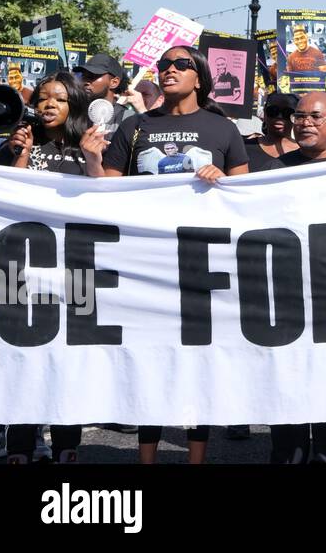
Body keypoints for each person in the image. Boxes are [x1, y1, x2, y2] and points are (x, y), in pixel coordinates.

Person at [99, 46, 248, 463]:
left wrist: (222, 181)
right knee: (150, 362)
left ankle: (195, 458)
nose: (169, 70)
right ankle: (146, 458)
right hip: (146, 261)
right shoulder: (137, 126)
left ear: (199, 77)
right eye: (164, 65)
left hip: (202, 262)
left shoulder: (224, 130)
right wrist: (95, 156)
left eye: (181, 64)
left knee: (197, 362)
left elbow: (246, 196)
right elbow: (108, 190)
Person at [0, 71, 106, 464]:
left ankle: (66, 446)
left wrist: (94, 159)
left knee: (67, 358)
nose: (48, 105)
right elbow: (7, 204)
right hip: (22, 269)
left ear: (74, 103)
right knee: (23, 356)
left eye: (58, 98)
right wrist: (18, 155)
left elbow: (106, 201)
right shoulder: (15, 144)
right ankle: (21, 446)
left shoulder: (89, 144)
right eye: (42, 98)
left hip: (75, 267)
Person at [254, 92, 326, 462]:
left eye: (315, 117)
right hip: (287, 301)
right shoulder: (273, 171)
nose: (305, 123)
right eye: (299, 116)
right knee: (288, 396)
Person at [72, 52, 142, 124]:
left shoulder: (127, 118)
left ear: (114, 82)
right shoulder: (74, 114)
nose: (86, 82)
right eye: (83, 77)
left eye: (92, 76)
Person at [245, 92, 300, 170]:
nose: (279, 116)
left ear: (295, 116)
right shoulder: (244, 148)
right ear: (264, 113)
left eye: (287, 112)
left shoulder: (306, 152)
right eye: (273, 111)